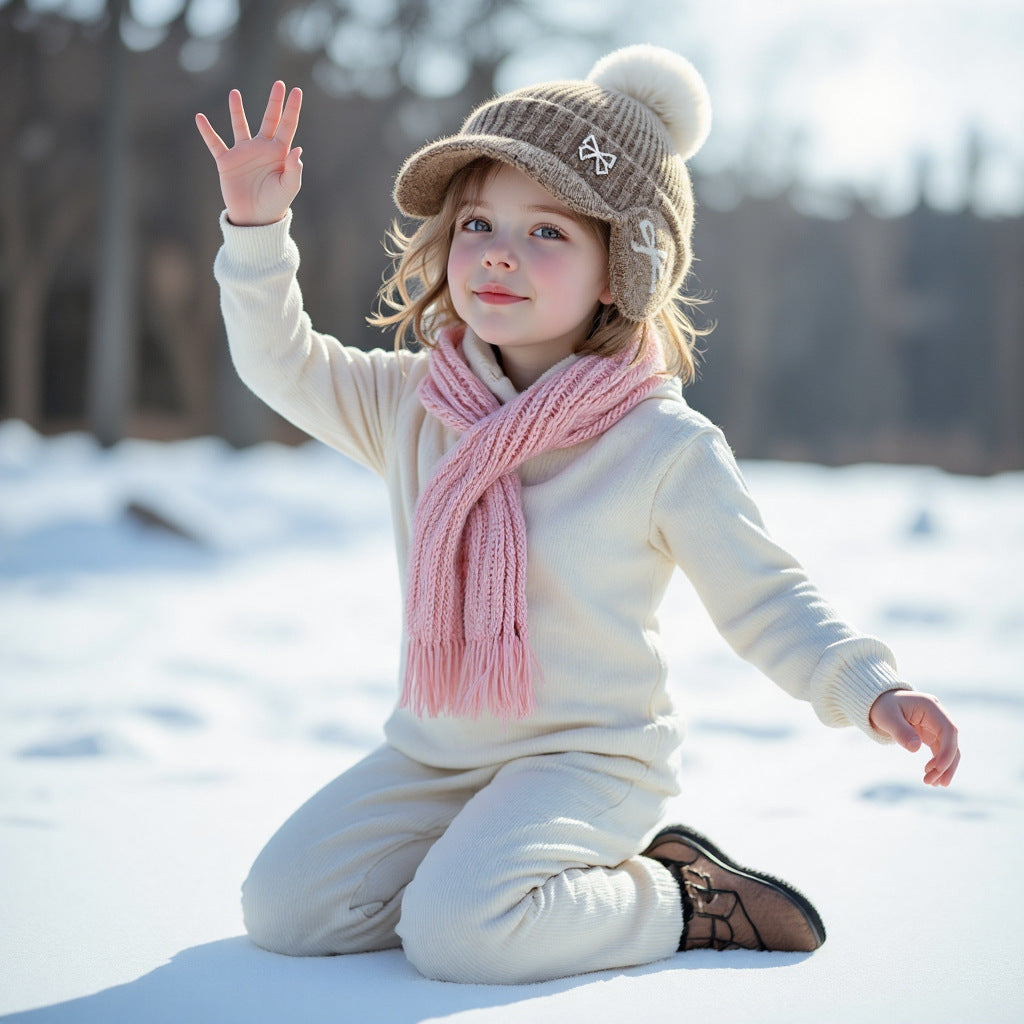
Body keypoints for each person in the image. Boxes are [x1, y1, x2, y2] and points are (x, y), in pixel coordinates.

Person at [195, 45, 960, 984]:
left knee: (458, 936)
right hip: (439, 754)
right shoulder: (414, 405)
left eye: (548, 231)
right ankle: (494, 878)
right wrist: (257, 226)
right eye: (478, 222)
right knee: (286, 909)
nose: (500, 253)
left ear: (618, 270)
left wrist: (871, 688)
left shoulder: (659, 448)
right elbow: (285, 365)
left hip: (589, 763)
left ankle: (679, 897)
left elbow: (768, 599)